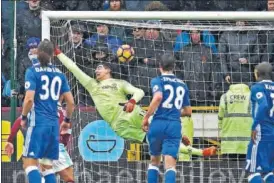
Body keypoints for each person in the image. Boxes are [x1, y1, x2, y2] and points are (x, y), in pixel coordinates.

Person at [55, 47, 216, 156]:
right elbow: (73, 68)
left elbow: (139, 92)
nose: (97, 70)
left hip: (129, 112)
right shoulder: (92, 85)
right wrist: (58, 52)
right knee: (157, 141)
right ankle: (197, 151)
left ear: (108, 70)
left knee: (158, 125)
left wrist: (132, 101)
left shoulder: (120, 83)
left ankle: (194, 148)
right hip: (118, 125)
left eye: (100, 67)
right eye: (96, 68)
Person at [19, 39, 75, 183]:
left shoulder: (32, 71)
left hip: (38, 123)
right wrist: (66, 120)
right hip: (53, 126)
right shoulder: (60, 74)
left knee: (28, 162)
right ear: (52, 55)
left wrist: (24, 117)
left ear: (37, 53)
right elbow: (71, 102)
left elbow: (28, 99)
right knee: (47, 166)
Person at [4, 103, 79, 183]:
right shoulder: (64, 114)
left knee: (41, 174)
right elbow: (66, 136)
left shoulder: (37, 109)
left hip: (39, 145)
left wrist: (9, 140)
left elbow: (18, 122)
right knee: (69, 180)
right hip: (56, 146)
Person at [142, 54, 191, 183]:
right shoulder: (183, 85)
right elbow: (188, 111)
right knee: (170, 165)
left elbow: (157, 97)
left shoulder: (157, 80)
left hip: (158, 123)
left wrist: (146, 117)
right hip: (174, 125)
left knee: (154, 161)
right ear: (174, 67)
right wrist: (175, 112)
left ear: (159, 67)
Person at [218, 83, 252, 160]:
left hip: (229, 145)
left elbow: (220, 116)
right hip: (247, 144)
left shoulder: (225, 96)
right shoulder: (251, 96)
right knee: (247, 170)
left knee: (229, 169)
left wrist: (221, 131)